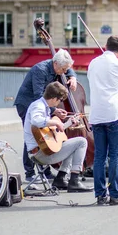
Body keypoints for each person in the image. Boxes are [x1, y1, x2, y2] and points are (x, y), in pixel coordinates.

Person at [14, 49, 78, 183]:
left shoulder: (58, 66)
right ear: (55, 64)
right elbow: (39, 96)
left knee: (45, 134)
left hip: (41, 104)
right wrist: (54, 111)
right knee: (33, 135)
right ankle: (30, 173)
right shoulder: (40, 70)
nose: (64, 72)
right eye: (63, 69)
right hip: (26, 103)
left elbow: (68, 69)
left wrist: (72, 76)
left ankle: (45, 171)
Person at [87, 36, 118, 205]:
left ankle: (101, 195)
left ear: (105, 46)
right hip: (113, 114)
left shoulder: (93, 63)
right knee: (115, 156)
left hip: (96, 115)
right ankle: (115, 195)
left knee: (100, 156)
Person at [24, 81, 92, 192]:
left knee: (69, 143)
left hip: (43, 150)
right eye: (60, 100)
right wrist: (56, 123)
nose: (59, 103)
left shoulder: (43, 107)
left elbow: (51, 135)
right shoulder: (38, 106)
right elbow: (36, 121)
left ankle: (61, 178)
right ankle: (74, 180)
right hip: (41, 153)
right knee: (81, 142)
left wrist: (68, 123)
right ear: (54, 98)